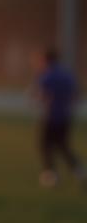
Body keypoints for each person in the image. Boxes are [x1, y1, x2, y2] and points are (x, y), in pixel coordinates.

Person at [34, 47, 82, 188]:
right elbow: (77, 94)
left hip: (51, 116)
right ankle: (80, 172)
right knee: (63, 146)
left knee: (44, 145)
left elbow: (40, 95)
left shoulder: (47, 75)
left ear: (46, 60)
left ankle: (51, 175)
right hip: (66, 116)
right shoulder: (68, 75)